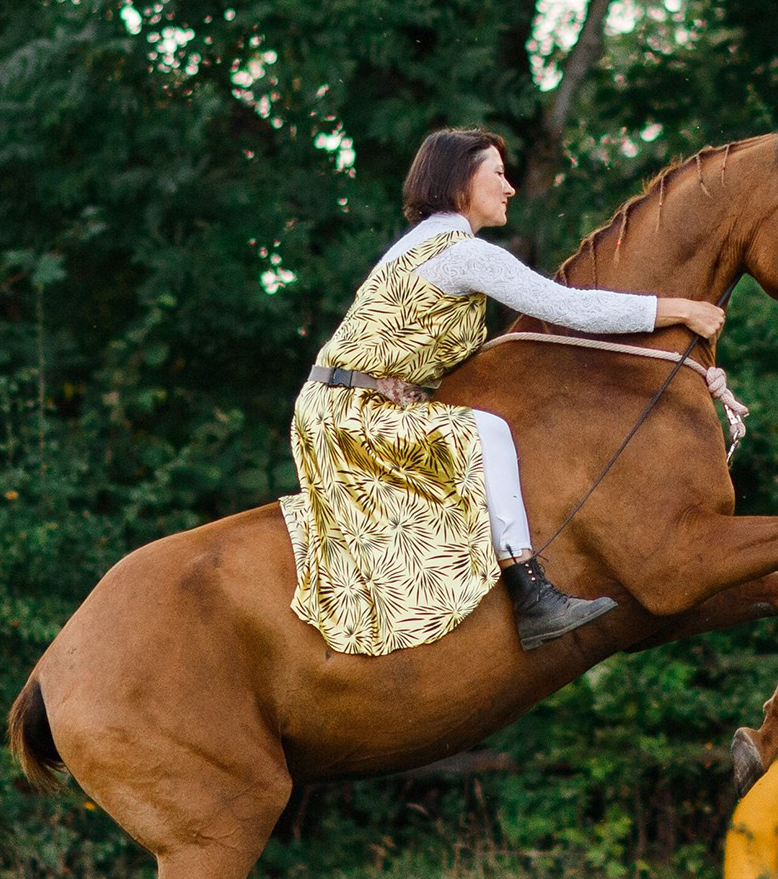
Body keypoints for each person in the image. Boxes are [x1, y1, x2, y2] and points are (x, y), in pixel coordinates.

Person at [283, 129, 726, 655]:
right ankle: (531, 593)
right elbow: (571, 310)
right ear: (459, 182)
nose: (509, 187)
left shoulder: (427, 247)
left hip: (345, 405)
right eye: (496, 172)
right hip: (351, 413)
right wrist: (681, 310)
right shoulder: (463, 255)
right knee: (488, 430)